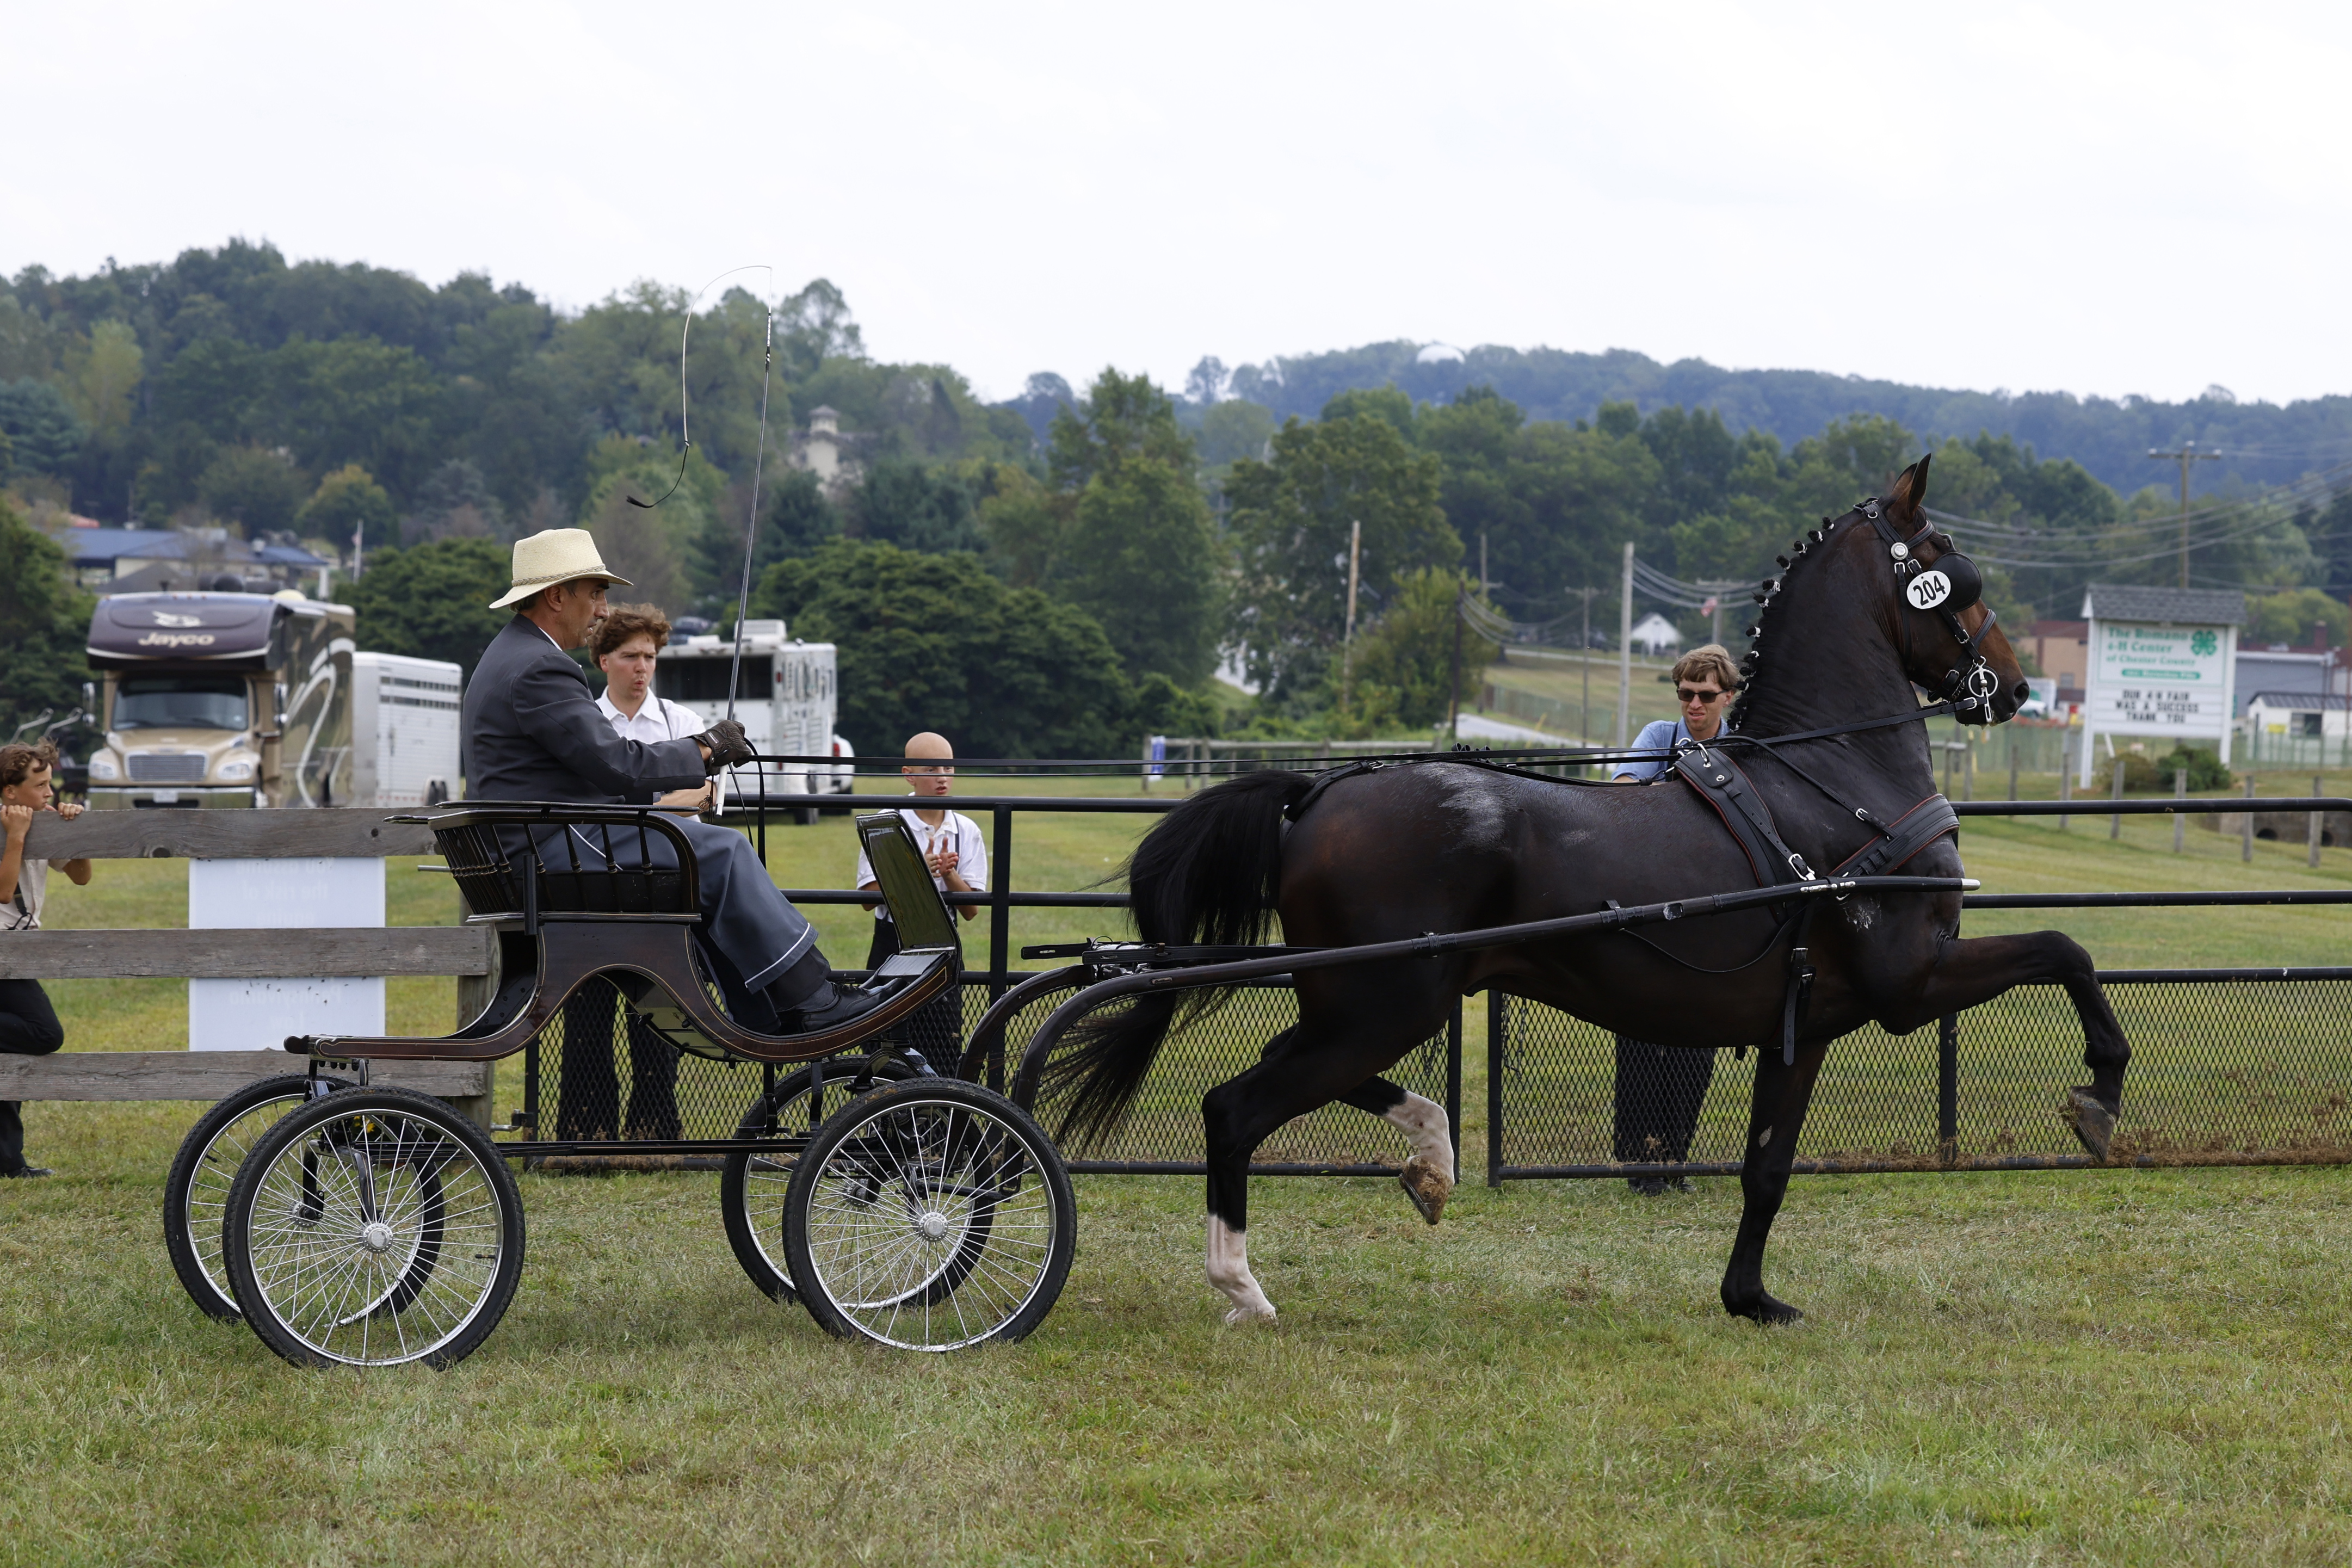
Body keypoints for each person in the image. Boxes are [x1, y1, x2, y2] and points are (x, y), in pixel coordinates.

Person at [464, 528, 876, 1035]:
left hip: (539, 846)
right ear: (555, 596)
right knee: (721, 854)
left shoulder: (511, 655)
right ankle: (810, 998)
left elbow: (594, 770)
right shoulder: (539, 667)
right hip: (552, 850)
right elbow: (618, 764)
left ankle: (776, 1006)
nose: (601, 611)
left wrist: (690, 759)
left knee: (702, 853)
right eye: (595, 593)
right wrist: (705, 749)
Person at [550, 604, 705, 1139]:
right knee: (589, 1005)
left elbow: (703, 789)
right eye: (631, 656)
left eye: (651, 657)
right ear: (603, 660)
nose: (642, 667)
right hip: (596, 884)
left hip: (662, 885)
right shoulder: (588, 723)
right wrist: (665, 802)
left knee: (658, 1002)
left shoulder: (680, 722)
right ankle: (586, 1127)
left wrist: (644, 812)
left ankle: (654, 1128)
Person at [1609, 644, 1742, 1192]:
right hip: (1653, 908)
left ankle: (1676, 1157)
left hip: (1712, 915)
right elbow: (1618, 796)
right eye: (1685, 693)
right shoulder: (1657, 738)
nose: (1693, 704)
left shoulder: (1741, 748)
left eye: (1705, 695)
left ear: (1727, 697)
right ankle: (1642, 1160)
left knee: (1696, 1039)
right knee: (1641, 1033)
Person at [852, 732, 986, 1073]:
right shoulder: (885, 822)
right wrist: (914, 872)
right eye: (931, 768)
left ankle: (940, 1124)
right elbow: (867, 897)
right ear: (909, 774)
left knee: (943, 1041)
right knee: (883, 1040)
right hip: (891, 943)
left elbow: (971, 910)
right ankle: (884, 1123)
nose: (942, 776)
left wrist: (950, 874)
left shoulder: (966, 828)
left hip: (943, 945)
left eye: (948, 767)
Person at [0, 741, 91, 1178]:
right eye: (40, 785)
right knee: (43, 1033)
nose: (50, 791)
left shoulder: (45, 821)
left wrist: (75, 835)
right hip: (2, 949)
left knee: (8, 1047)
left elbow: (81, 876)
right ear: (11, 793)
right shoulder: (5, 827)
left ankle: (8, 1162)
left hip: (20, 952)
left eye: (50, 782)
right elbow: (2, 893)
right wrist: (16, 837)